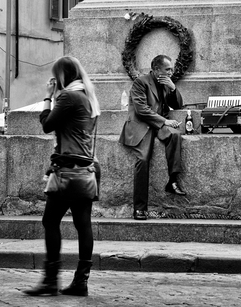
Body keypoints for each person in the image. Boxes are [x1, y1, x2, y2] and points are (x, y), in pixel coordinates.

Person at [23, 56, 101, 296]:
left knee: (50, 222)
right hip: (85, 172)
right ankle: (81, 282)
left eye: (56, 76)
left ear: (63, 76)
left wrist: (48, 97)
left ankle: (50, 281)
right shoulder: (88, 98)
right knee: (83, 225)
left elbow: (47, 124)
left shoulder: (68, 96)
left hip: (68, 174)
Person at [119, 54, 186, 221]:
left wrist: (172, 88)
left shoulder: (165, 83)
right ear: (157, 70)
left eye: (171, 69)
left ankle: (172, 180)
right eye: (167, 69)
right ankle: (140, 208)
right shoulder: (140, 82)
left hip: (157, 125)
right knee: (143, 159)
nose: (171, 72)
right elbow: (141, 110)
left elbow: (178, 105)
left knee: (175, 136)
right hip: (142, 124)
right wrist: (165, 121)